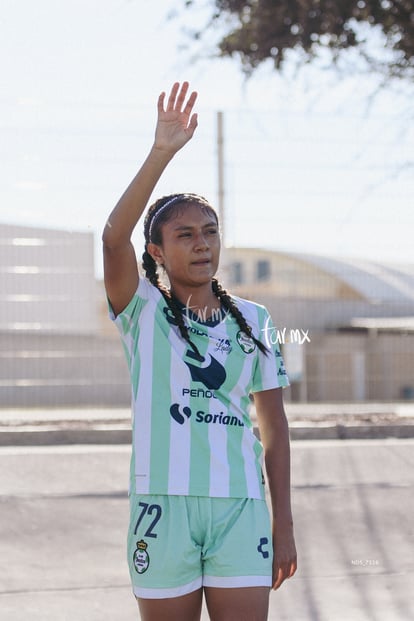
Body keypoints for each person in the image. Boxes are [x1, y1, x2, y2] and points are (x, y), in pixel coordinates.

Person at [102, 81, 297, 621]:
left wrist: (283, 522)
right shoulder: (140, 309)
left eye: (210, 231)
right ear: (158, 251)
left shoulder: (255, 320)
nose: (202, 242)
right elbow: (112, 239)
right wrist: (161, 151)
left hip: (240, 508)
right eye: (185, 234)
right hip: (162, 508)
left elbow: (275, 430)